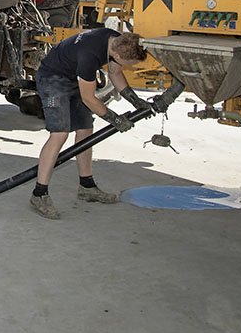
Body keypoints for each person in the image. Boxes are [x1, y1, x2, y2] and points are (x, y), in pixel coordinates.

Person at [29, 28, 151, 219]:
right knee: (60, 133)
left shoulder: (115, 39)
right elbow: (89, 98)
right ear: (117, 55)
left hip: (72, 75)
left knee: (85, 129)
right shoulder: (90, 55)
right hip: (52, 78)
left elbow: (115, 72)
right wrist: (116, 120)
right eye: (131, 63)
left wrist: (136, 101)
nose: (132, 66)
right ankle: (39, 193)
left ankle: (87, 187)